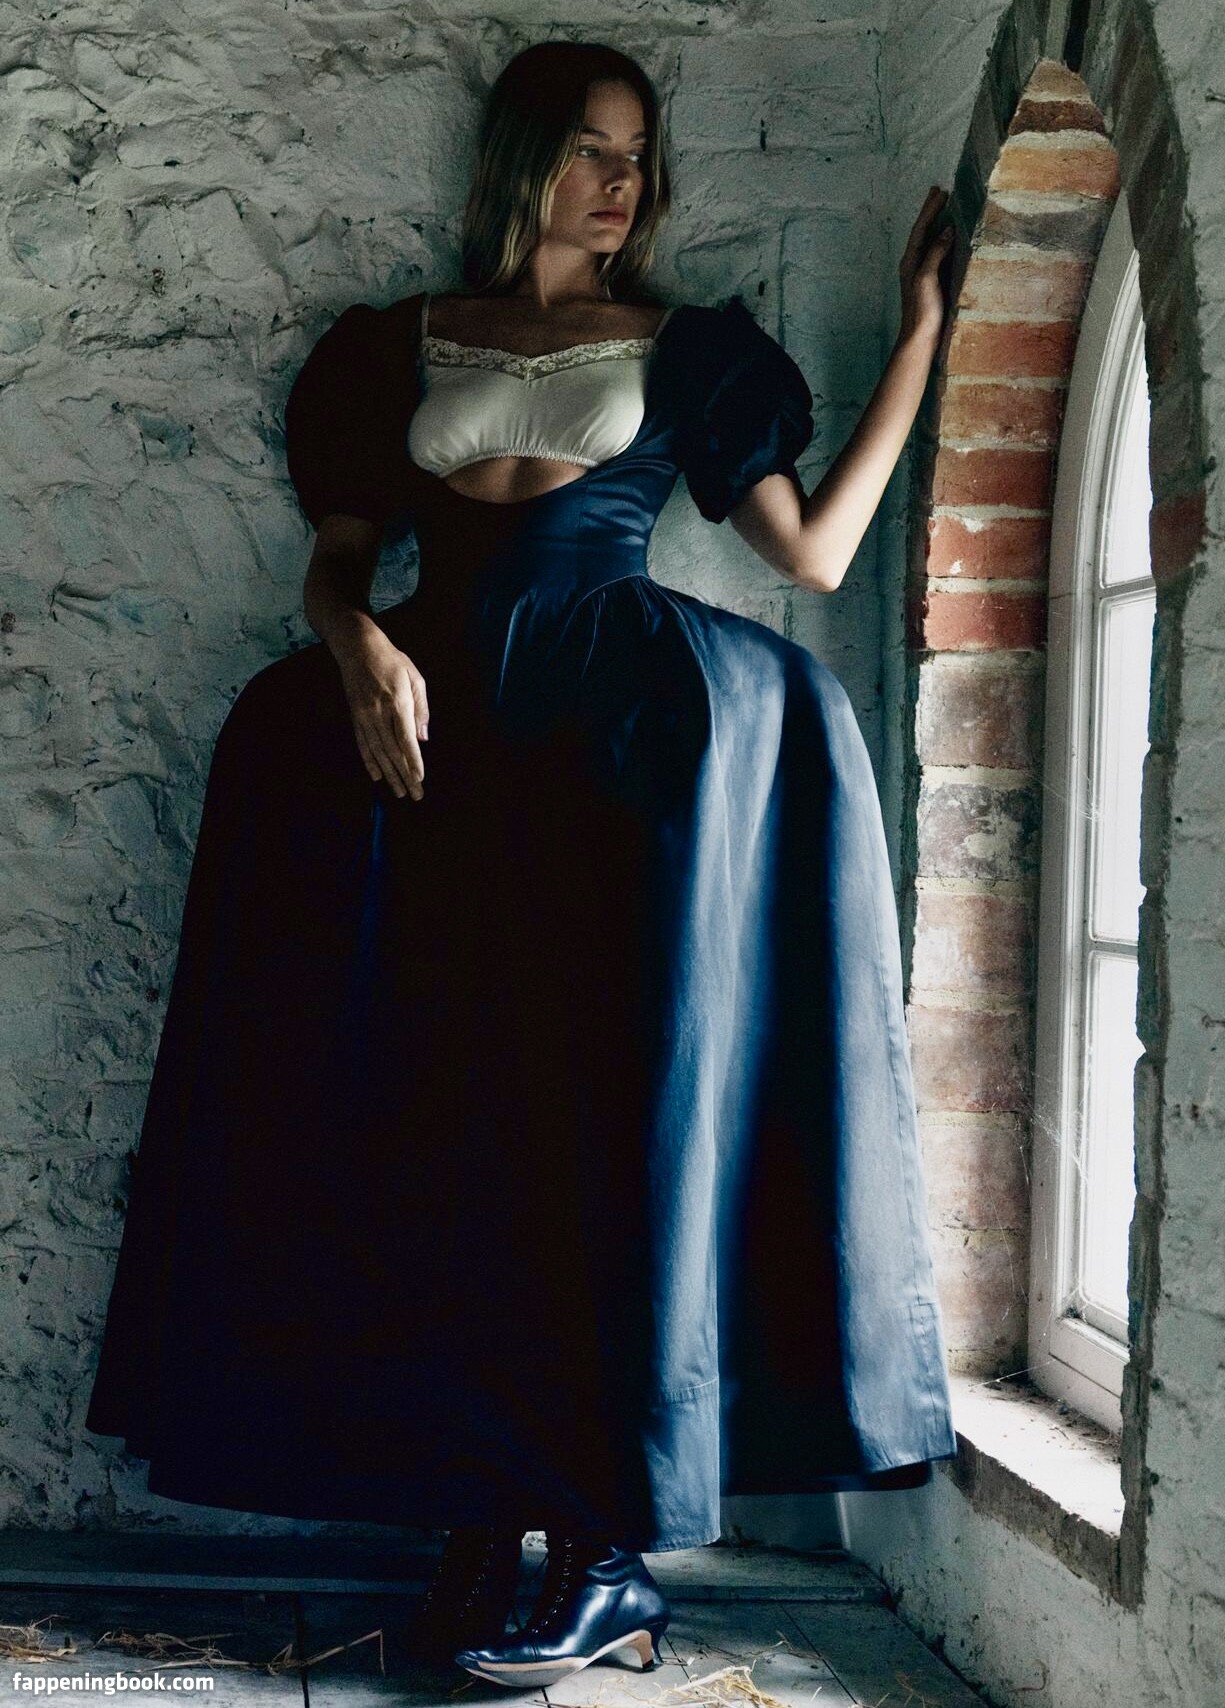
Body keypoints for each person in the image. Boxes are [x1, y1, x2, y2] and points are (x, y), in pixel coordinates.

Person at [84, 37, 960, 1692]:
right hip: (428, 754)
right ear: (521, 160)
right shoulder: (392, 347)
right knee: (435, 1122)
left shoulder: (689, 351)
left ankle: (603, 1549)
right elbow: (339, 563)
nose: (622, 184)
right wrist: (354, 648)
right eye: (590, 152)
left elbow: (815, 553)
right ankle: (484, 1517)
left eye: (638, 156)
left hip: (621, 762)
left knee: (607, 1133)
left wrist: (918, 334)